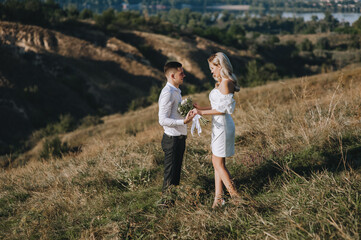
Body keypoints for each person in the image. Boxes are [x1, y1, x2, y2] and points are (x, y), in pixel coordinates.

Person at [192, 52, 241, 208]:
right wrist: (201, 108)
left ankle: (236, 197)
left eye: (213, 68)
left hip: (224, 125)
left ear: (221, 66)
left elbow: (223, 110)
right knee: (217, 162)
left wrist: (201, 113)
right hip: (217, 125)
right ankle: (218, 198)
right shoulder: (221, 82)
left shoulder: (227, 83)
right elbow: (216, 107)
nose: (211, 71)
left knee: (217, 162)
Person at [158, 61, 195, 200]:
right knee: (170, 176)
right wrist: (183, 121)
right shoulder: (167, 93)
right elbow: (162, 120)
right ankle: (165, 205)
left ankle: (172, 204)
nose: (184, 75)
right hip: (172, 139)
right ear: (172, 75)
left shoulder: (177, 91)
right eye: (181, 73)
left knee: (176, 175)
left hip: (179, 138)